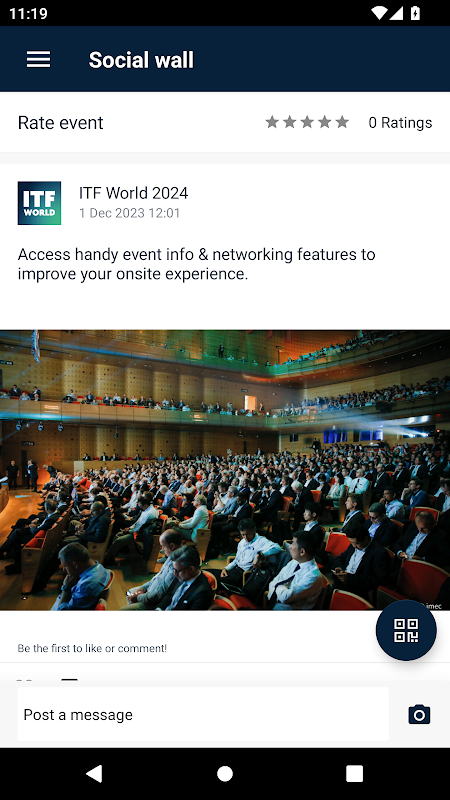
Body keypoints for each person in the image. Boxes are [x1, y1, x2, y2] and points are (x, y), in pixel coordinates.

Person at [120, 529, 184, 610]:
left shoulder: (177, 564)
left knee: (123, 609)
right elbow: (158, 577)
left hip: (155, 602)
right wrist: (143, 588)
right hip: (150, 593)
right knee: (130, 592)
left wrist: (139, 597)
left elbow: (160, 593)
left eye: (163, 546)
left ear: (172, 546)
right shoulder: (173, 555)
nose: (162, 549)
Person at [329, 524, 391, 601]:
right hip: (342, 581)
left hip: (358, 588)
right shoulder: (353, 544)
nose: (354, 546)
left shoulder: (380, 553)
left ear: (366, 539)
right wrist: (339, 568)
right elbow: (340, 558)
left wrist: (349, 578)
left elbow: (378, 580)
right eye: (351, 542)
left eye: (357, 543)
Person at [267, 531, 323, 610]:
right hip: (276, 605)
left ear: (302, 552)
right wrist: (281, 588)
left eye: (293, 544)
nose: (290, 547)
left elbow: (285, 597)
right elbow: (274, 581)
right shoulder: (294, 562)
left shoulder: (312, 576)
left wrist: (276, 587)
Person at [51, 543, 110, 610]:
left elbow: (62, 611)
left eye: (65, 566)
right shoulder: (101, 568)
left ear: (75, 565)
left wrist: (66, 588)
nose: (64, 569)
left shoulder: (86, 586)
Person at [160, 545, 214, 610]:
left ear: (191, 569)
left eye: (177, 570)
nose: (174, 574)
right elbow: (169, 595)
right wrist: (159, 609)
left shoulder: (202, 594)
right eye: (174, 569)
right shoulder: (182, 574)